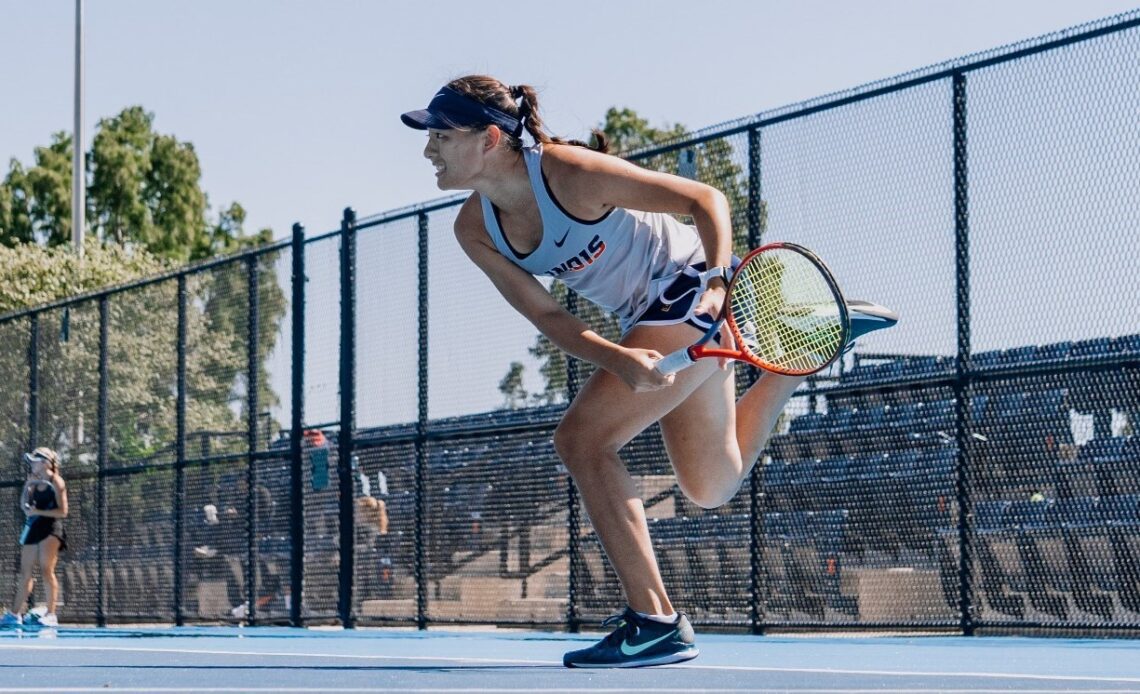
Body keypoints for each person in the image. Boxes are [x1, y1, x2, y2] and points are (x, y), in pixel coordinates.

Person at [400, 76, 898, 667]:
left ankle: (654, 621)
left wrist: (716, 283)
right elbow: (546, 314)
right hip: (651, 315)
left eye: (440, 134)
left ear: (488, 139)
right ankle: (808, 349)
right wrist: (616, 357)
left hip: (692, 286)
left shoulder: (570, 172)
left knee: (582, 441)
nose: (428, 148)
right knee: (709, 486)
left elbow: (704, 200)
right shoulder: (474, 229)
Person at [1, 447, 68, 628]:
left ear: (45, 462)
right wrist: (27, 487)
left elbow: (63, 511)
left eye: (35, 460)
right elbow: (25, 506)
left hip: (51, 528)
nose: (31, 463)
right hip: (33, 527)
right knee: (26, 572)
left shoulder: (57, 481)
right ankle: (14, 614)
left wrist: (39, 511)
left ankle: (51, 614)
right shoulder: (33, 481)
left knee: (46, 569)